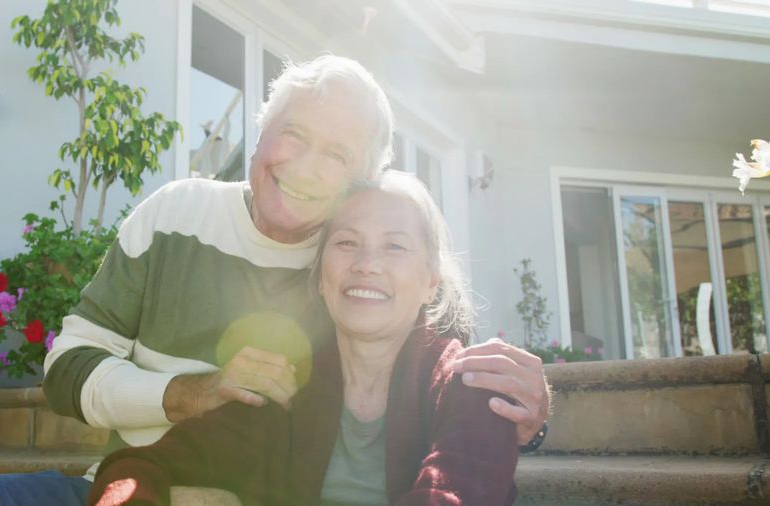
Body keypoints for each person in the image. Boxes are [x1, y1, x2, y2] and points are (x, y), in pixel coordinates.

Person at [0, 55, 545, 506]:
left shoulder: (352, 269)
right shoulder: (177, 214)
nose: (303, 166)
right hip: (130, 479)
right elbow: (65, 369)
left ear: (359, 183)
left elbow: (454, 384)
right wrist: (187, 394)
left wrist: (535, 412)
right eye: (293, 134)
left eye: (337, 154)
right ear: (261, 135)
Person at [89, 171, 518, 506]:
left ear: (430, 282)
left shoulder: (473, 386)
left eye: (395, 247)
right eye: (347, 242)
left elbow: (452, 496)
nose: (366, 264)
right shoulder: (287, 388)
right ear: (319, 278)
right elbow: (137, 466)